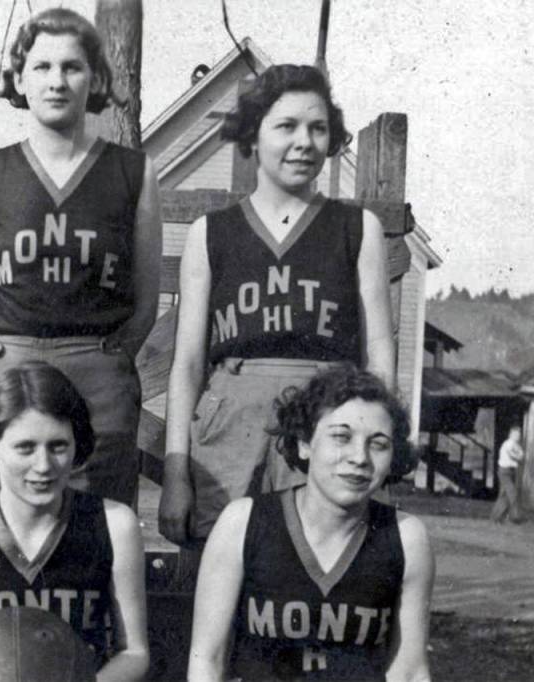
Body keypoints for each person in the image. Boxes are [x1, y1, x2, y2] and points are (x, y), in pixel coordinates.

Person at [159, 64, 396, 546]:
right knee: (222, 556)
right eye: (286, 126)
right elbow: (186, 364)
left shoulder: (357, 229)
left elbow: (379, 352)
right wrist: (176, 470)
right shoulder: (212, 232)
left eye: (317, 127)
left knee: (316, 556)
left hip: (326, 416)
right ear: (252, 134)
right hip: (231, 417)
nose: (304, 142)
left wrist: (379, 440)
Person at [0, 7, 163, 506]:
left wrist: (104, 361)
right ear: (19, 79)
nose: (57, 81)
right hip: (7, 360)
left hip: (95, 367)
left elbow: (146, 300)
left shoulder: (133, 172)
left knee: (96, 527)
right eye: (42, 67)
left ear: (94, 79)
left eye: (72, 67)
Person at [188, 366, 433, 681]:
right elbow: (207, 660)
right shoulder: (243, 522)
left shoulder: (405, 537)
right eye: (341, 437)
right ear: (304, 442)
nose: (359, 457)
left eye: (378, 443)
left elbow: (410, 671)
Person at [0, 362, 149, 682]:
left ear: (77, 446)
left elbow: (134, 652)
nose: (43, 465)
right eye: (25, 448)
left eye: (58, 447)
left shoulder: (114, 523)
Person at [491, 425, 525, 523]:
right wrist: (518, 456)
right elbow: (512, 454)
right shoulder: (508, 443)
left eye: (519, 435)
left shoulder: (517, 445)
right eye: (516, 434)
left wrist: (519, 456)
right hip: (504, 471)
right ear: (511, 435)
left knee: (504, 495)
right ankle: (515, 517)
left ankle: (496, 518)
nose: (518, 436)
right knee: (512, 493)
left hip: (511, 471)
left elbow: (522, 455)